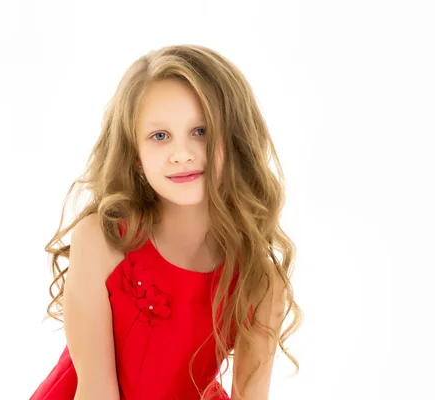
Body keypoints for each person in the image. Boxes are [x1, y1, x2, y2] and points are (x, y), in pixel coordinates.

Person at [29, 44, 302, 400]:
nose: (182, 153)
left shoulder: (260, 280)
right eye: (160, 136)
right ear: (136, 156)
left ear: (235, 141)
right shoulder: (101, 240)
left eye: (201, 131)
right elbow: (96, 391)